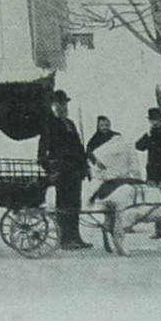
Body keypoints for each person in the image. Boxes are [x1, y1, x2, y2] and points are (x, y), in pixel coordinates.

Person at [37, 89, 92, 248]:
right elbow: (42, 150)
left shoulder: (70, 124)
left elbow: (78, 147)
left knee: (75, 204)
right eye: (59, 104)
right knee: (64, 204)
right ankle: (65, 239)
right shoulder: (49, 124)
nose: (63, 107)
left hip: (75, 170)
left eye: (65, 104)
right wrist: (50, 167)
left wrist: (85, 166)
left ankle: (76, 237)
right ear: (53, 105)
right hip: (62, 170)